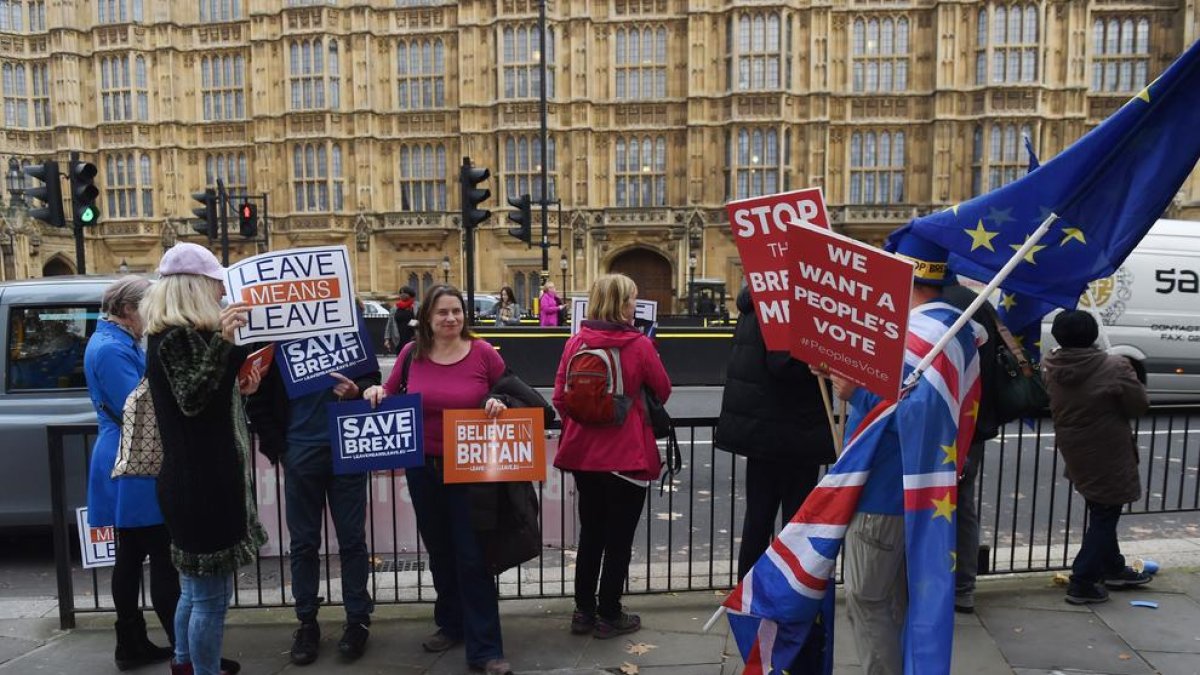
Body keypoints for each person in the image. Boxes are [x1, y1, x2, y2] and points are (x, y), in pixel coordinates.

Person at [825, 232, 982, 675]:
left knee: (868, 598)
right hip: (912, 492)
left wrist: (856, 394)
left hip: (885, 491)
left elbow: (914, 417)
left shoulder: (923, 335)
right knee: (895, 599)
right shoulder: (956, 330)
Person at [363, 285, 515, 675]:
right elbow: (390, 390)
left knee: (473, 556)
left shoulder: (483, 353)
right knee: (441, 551)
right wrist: (377, 390)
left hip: (470, 470)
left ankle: (486, 649)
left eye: (457, 311)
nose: (451, 318)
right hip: (423, 469)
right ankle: (451, 624)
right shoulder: (411, 355)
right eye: (442, 312)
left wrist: (500, 403)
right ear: (427, 318)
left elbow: (511, 391)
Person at [142, 243, 267, 675]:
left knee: (194, 593)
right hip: (201, 489)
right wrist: (226, 343)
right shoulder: (176, 338)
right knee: (209, 601)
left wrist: (240, 385)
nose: (221, 292)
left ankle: (184, 663)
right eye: (215, 283)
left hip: (197, 483)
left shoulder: (183, 337)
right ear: (195, 286)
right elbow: (193, 399)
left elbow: (201, 401)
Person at [246, 338, 381, 664]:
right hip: (300, 453)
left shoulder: (349, 333)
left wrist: (356, 391)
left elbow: (372, 379)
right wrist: (281, 448)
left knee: (353, 540)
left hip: (347, 447)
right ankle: (307, 623)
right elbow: (258, 400)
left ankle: (357, 620)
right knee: (304, 542)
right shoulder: (274, 344)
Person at [551, 273, 671, 639]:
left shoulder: (576, 342)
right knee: (618, 540)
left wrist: (587, 418)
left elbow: (559, 397)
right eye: (633, 298)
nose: (636, 304)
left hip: (583, 456)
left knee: (591, 536)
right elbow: (663, 391)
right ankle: (610, 614)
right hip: (627, 456)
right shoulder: (639, 344)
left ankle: (583, 612)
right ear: (622, 304)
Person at [84, 276, 179, 671]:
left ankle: (133, 643)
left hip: (125, 453)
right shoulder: (110, 348)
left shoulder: (114, 342)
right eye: (148, 306)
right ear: (127, 310)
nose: (153, 315)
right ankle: (178, 645)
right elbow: (137, 407)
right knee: (158, 552)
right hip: (133, 458)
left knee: (133, 553)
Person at [715, 286, 835, 581]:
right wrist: (823, 361)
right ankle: (787, 595)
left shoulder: (752, 305)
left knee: (758, 518)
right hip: (793, 430)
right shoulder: (783, 306)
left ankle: (748, 591)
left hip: (764, 431)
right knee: (795, 525)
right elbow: (782, 364)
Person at [1042, 310, 1151, 605]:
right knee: (1106, 513)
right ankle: (1083, 581)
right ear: (1091, 335)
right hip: (1108, 449)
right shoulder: (1113, 365)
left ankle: (1112, 567)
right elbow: (1138, 405)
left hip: (1075, 448)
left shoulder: (1052, 364)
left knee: (1101, 508)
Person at [941, 278, 1002, 614]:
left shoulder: (933, 306)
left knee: (929, 504)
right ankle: (963, 586)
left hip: (943, 425)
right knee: (962, 506)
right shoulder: (978, 303)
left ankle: (937, 583)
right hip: (973, 423)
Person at [384, 286, 418, 354]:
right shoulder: (395, 307)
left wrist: (414, 323)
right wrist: (387, 339)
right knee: (400, 359)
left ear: (410, 294)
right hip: (398, 338)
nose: (402, 295)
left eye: (404, 293)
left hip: (413, 338)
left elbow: (422, 320)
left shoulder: (416, 306)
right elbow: (390, 323)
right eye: (401, 293)